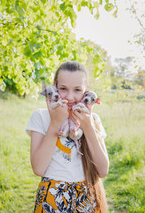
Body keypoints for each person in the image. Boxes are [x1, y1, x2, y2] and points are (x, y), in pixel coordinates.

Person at [26, 61, 109, 213]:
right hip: (52, 195)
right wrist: (55, 123)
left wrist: (88, 127)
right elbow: (38, 168)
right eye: (63, 89)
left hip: (86, 196)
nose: (70, 97)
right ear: (55, 86)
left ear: (86, 91)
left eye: (77, 90)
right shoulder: (41, 117)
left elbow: (103, 170)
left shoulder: (93, 119)